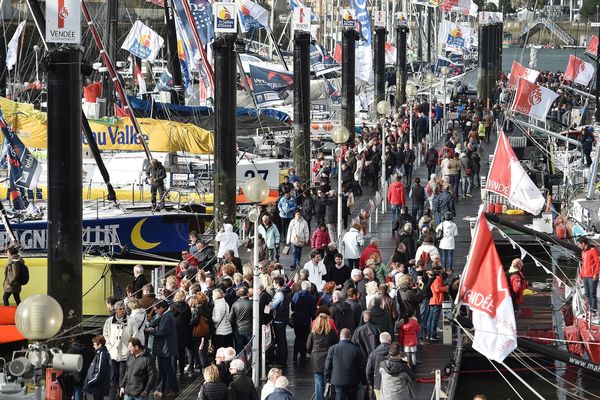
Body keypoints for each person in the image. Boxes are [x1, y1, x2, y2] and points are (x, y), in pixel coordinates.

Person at [145, 300, 179, 397]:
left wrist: (151, 331)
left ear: (162, 308)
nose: (155, 312)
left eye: (156, 310)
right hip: (164, 348)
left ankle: (173, 389)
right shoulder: (166, 315)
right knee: (164, 369)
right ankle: (161, 389)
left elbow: (162, 332)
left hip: (165, 348)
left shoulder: (167, 316)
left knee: (166, 369)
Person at [324, 328, 365, 400]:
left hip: (337, 380)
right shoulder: (356, 349)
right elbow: (361, 367)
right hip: (353, 380)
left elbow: (327, 366)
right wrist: (363, 380)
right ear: (350, 336)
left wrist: (327, 379)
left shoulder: (333, 348)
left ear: (340, 336)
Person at [307, 313, 338, 400]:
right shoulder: (331, 332)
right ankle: (328, 397)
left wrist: (311, 353)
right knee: (328, 380)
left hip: (316, 358)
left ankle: (319, 398)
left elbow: (308, 346)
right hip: (328, 357)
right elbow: (336, 343)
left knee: (318, 381)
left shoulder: (313, 332)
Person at [102, 301, 133, 390]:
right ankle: (115, 389)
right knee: (114, 372)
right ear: (116, 310)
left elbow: (135, 334)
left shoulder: (131, 320)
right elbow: (105, 333)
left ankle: (121, 390)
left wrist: (130, 347)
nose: (122, 311)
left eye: (124, 309)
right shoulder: (109, 321)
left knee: (122, 373)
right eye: (120, 309)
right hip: (113, 352)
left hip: (125, 351)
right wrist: (109, 345)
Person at [291, 280, 317, 361]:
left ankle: (295, 354)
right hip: (305, 320)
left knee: (297, 337)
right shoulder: (311, 297)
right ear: (309, 288)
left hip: (296, 319)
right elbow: (313, 312)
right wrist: (313, 321)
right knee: (304, 337)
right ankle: (303, 355)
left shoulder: (296, 295)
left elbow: (292, 307)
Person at [170, 291, 192, 378]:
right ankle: (181, 372)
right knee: (182, 353)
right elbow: (189, 319)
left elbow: (170, 318)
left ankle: (174, 371)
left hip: (175, 332)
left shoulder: (173, 307)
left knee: (174, 354)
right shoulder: (187, 307)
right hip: (185, 332)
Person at [271, 276, 292, 366]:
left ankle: (281, 361)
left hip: (279, 319)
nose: (273, 284)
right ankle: (282, 359)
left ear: (277, 283)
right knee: (282, 340)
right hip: (283, 318)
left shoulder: (279, 294)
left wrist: (269, 304)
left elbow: (273, 306)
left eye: (274, 283)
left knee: (281, 341)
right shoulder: (285, 292)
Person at [83, 335, 111, 400]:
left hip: (96, 388)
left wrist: (90, 382)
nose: (93, 346)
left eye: (94, 344)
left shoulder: (102, 354)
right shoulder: (100, 353)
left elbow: (99, 371)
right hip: (96, 387)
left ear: (100, 344)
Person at [366, 332, 391, 400]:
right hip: (391, 384)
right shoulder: (394, 352)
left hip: (377, 383)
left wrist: (371, 383)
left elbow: (368, 371)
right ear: (390, 340)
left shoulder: (373, 354)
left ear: (380, 340)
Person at [577, 237, 599, 314]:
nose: (578, 246)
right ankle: (590, 308)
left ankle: (594, 310)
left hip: (592, 275)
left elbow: (598, 262)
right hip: (585, 276)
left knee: (592, 293)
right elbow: (583, 265)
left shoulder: (593, 250)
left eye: (579, 244)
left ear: (583, 243)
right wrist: (580, 276)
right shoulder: (583, 252)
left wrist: (596, 274)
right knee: (587, 293)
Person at [426, 267, 447, 341]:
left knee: (430, 318)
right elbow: (437, 289)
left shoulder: (432, 277)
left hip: (432, 299)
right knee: (434, 318)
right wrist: (445, 288)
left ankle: (429, 334)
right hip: (437, 300)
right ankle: (433, 335)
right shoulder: (438, 278)